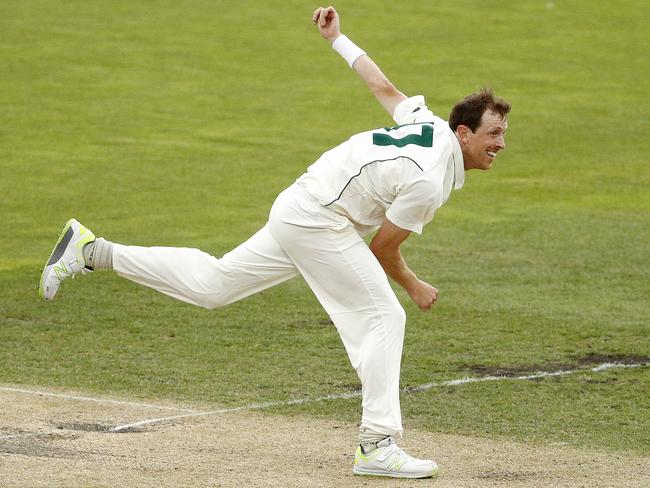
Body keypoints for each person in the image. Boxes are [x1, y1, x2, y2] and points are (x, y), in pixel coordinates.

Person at [39, 6, 510, 479]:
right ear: (463, 133)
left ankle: (92, 250)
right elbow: (382, 250)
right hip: (319, 221)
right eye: (493, 133)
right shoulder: (429, 181)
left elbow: (382, 87)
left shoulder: (427, 124)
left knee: (215, 285)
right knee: (385, 316)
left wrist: (337, 40)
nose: (501, 144)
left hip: (300, 204)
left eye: (504, 134)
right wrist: (414, 284)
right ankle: (376, 444)